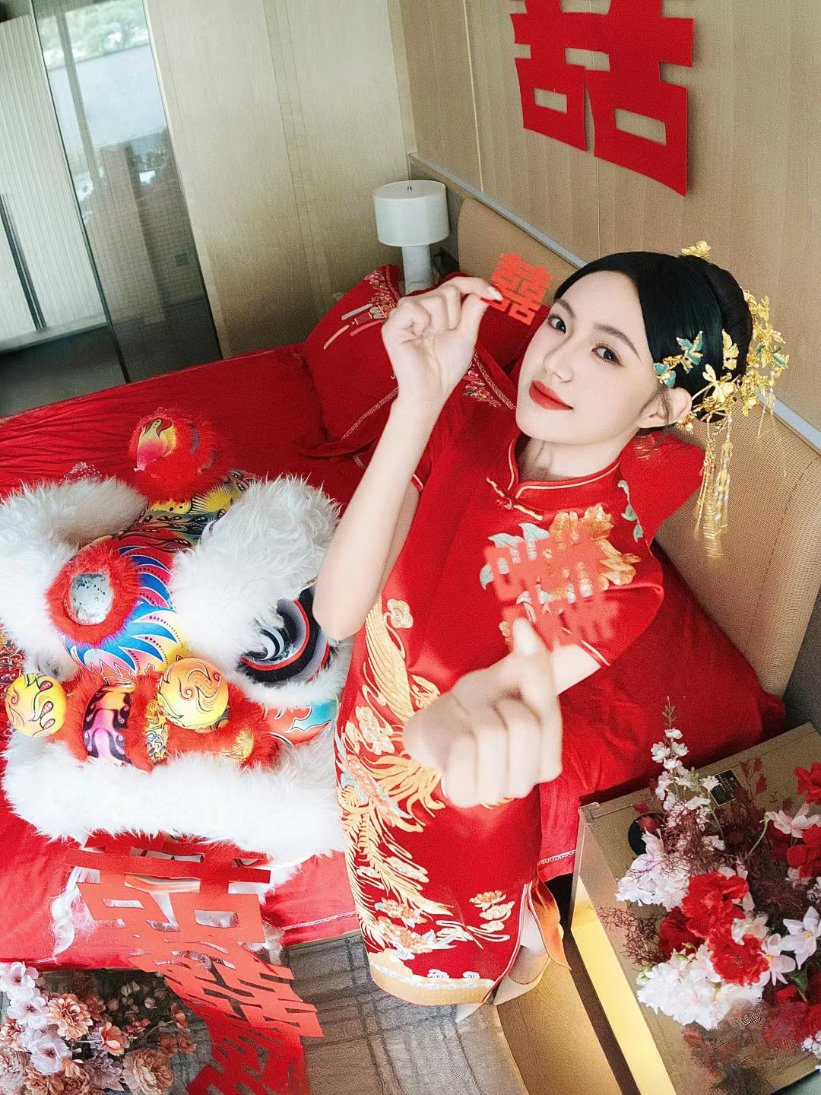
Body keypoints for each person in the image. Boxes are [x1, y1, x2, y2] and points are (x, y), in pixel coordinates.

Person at [313, 250, 754, 1008]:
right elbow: (336, 613)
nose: (557, 358)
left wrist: (444, 725)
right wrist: (417, 402)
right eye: (559, 323)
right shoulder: (462, 423)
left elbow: (483, 708)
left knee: (437, 972)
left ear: (661, 406)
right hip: (363, 728)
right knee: (369, 879)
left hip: (455, 800)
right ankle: (526, 926)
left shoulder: (619, 576)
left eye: (607, 351)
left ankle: (520, 944)